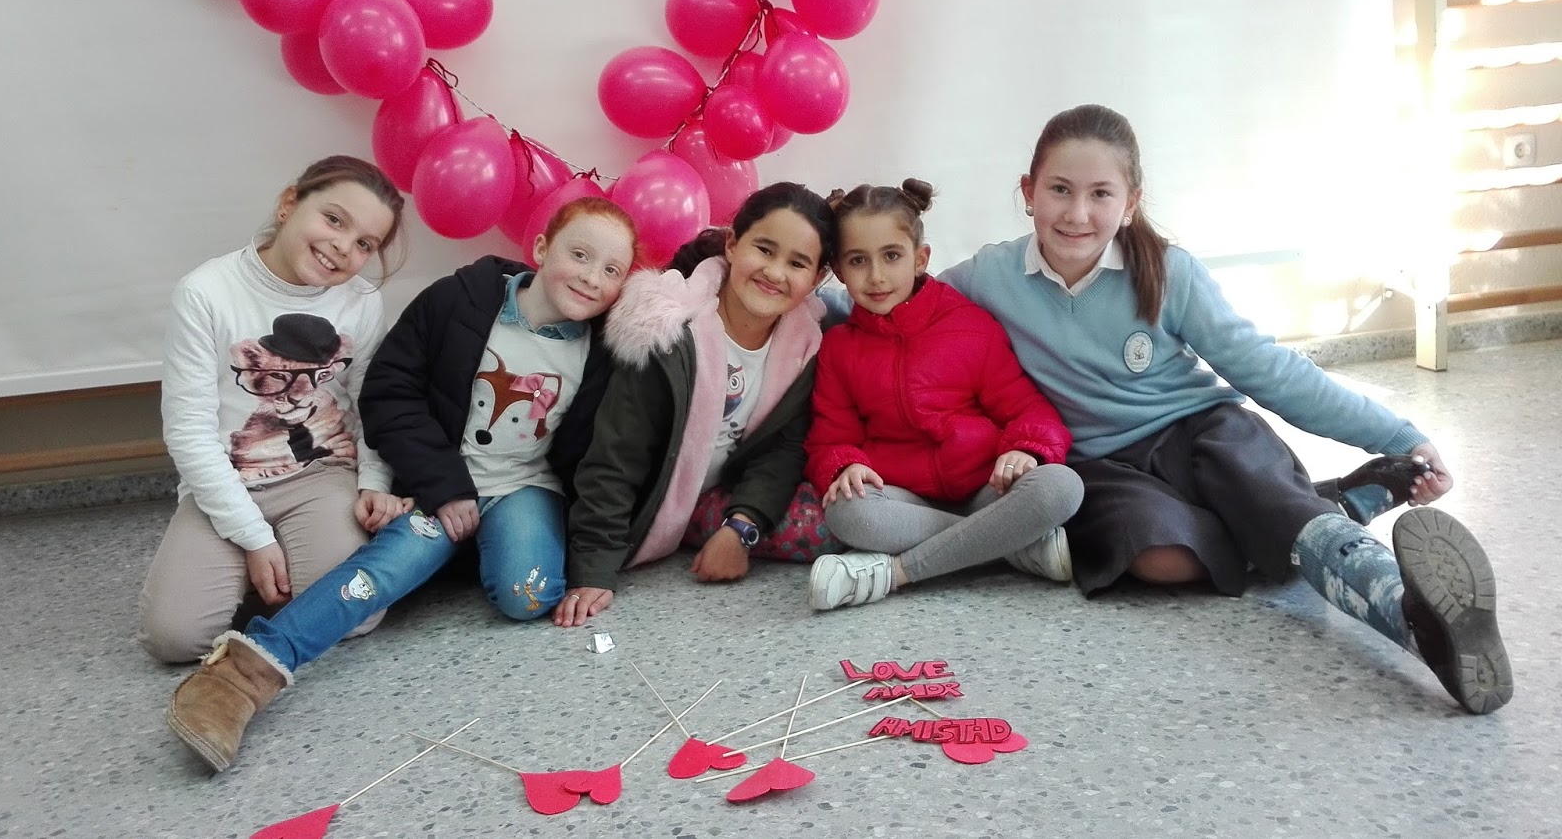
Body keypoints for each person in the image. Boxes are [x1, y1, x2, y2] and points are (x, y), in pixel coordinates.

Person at [939, 103, 1512, 715]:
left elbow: (1270, 370)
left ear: (1130, 203)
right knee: (1158, 559)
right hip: (1100, 463)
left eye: (1100, 193)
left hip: (1203, 433)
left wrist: (1397, 434)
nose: (1077, 213)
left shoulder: (1169, 271)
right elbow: (901, 310)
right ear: (1028, 192)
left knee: (1262, 492)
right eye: (1060, 190)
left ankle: (1417, 622)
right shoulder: (990, 275)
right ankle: (1332, 506)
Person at [164, 197, 640, 771]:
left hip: (525, 488)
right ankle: (240, 677)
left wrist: (595, 569)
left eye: (612, 270)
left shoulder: (605, 350)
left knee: (530, 596)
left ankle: (463, 554)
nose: (592, 278)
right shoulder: (458, 300)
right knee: (375, 576)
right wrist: (443, 487)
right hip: (442, 487)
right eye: (580, 255)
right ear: (540, 248)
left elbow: (611, 464)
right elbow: (391, 392)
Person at [139, 155, 411, 665]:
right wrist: (253, 538)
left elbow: (370, 405)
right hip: (229, 479)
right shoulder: (205, 293)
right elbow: (189, 432)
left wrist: (374, 481)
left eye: (365, 244)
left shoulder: (361, 302)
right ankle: (266, 567)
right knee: (174, 638)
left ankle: (289, 568)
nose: (343, 247)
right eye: (334, 220)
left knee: (354, 617)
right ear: (289, 204)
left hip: (320, 473)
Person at [554, 182, 845, 627]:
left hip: (714, 492)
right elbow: (616, 456)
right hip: (649, 500)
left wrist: (741, 528)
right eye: (764, 249)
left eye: (797, 263)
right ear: (732, 244)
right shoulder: (668, 329)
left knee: (842, 519)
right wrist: (593, 569)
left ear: (818, 278)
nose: (775, 272)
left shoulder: (805, 344)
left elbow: (781, 450)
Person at [802, 179, 1084, 611]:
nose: (876, 276)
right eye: (858, 260)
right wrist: (846, 465)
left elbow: (1029, 409)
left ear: (920, 259)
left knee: (1060, 486)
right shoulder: (839, 347)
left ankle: (895, 573)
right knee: (847, 511)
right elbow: (830, 436)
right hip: (900, 497)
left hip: (985, 487)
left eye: (891, 256)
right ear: (839, 270)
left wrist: (1026, 450)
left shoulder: (970, 326)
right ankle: (1008, 542)